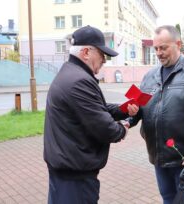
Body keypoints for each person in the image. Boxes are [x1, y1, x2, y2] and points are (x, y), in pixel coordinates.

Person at [43, 25, 138, 204]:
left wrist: (123, 109)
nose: (104, 59)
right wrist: (125, 126)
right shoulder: (79, 81)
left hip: (67, 170)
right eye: (101, 54)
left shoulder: (71, 72)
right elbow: (106, 129)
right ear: (86, 52)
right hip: (74, 178)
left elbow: (94, 108)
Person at [128, 25, 184, 203]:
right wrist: (127, 119)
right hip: (158, 155)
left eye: (163, 47)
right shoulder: (149, 75)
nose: (159, 53)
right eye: (156, 48)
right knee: (168, 199)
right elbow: (137, 106)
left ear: (178, 44)